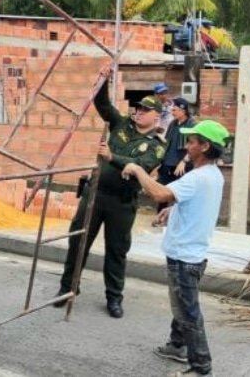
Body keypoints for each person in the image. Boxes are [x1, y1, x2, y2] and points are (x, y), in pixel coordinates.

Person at [53, 65, 166, 319]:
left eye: (146, 110)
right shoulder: (121, 123)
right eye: (138, 108)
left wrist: (112, 156)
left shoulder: (157, 145)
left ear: (156, 117)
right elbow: (102, 103)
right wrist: (104, 79)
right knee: (77, 242)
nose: (139, 112)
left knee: (116, 250)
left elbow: (143, 166)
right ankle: (67, 288)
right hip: (95, 195)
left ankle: (114, 298)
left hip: (122, 203)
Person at [121, 120, 229, 377]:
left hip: (184, 258)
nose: (187, 147)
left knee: (187, 312)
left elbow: (159, 193)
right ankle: (176, 345)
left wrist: (137, 169)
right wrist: (174, 210)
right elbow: (194, 204)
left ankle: (202, 368)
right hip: (194, 255)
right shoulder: (213, 175)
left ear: (205, 146)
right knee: (182, 303)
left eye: (192, 142)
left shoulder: (196, 177)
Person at [155, 97, 196, 215]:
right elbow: (167, 141)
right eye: (172, 110)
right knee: (163, 190)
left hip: (181, 165)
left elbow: (193, 146)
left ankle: (179, 216)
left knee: (180, 194)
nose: (172, 112)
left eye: (175, 110)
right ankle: (160, 215)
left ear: (183, 111)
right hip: (167, 163)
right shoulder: (173, 123)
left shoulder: (191, 125)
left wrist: (184, 161)